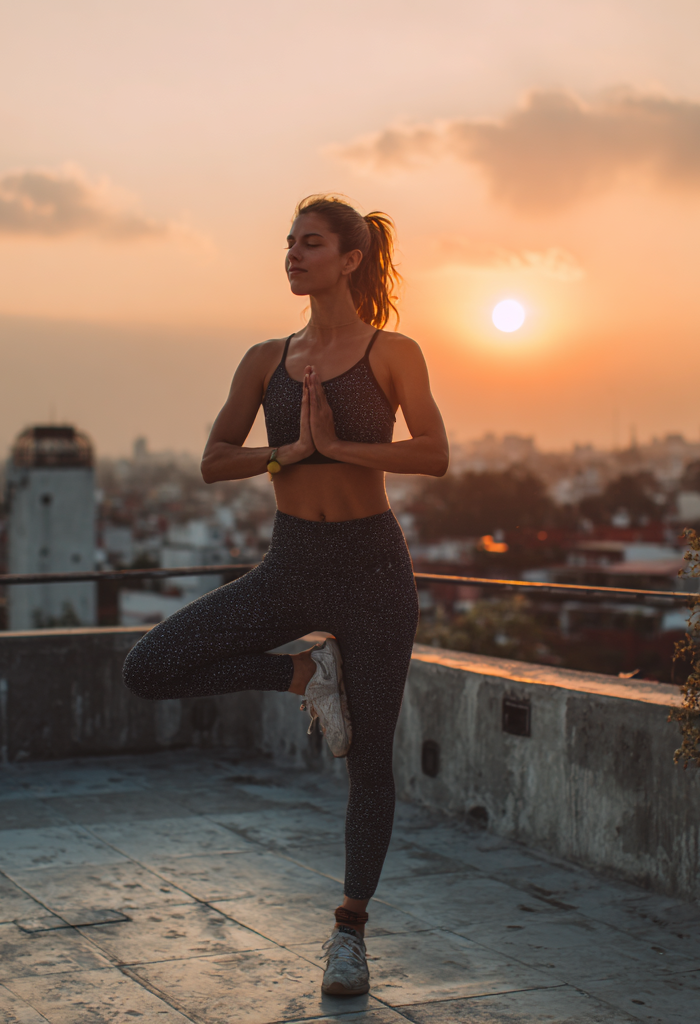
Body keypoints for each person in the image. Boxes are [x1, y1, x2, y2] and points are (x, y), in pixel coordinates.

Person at [122, 194, 449, 996]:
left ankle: (349, 933)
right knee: (149, 666)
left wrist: (340, 445)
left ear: (350, 259)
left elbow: (435, 453)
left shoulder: (393, 351)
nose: (293, 256)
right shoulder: (267, 359)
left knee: (370, 762)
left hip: (374, 570)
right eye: (289, 244)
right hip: (291, 564)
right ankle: (302, 677)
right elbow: (213, 460)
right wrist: (291, 452)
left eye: (310, 244)